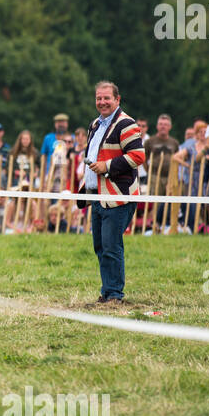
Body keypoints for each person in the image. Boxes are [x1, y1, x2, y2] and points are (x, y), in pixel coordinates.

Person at [80, 81, 144, 304]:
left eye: (107, 98)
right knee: (100, 246)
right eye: (99, 98)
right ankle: (107, 292)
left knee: (111, 245)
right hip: (98, 195)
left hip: (118, 195)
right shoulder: (95, 124)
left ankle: (115, 295)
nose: (102, 102)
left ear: (117, 99)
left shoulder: (126, 124)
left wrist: (107, 166)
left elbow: (137, 156)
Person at [144, 114, 181, 232]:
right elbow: (144, 158)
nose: (163, 127)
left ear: (170, 126)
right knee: (155, 200)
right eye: (161, 124)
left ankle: (166, 225)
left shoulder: (174, 143)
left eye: (165, 124)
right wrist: (148, 171)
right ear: (157, 126)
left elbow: (178, 158)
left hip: (170, 176)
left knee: (169, 201)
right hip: (155, 175)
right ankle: (154, 226)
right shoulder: (150, 141)